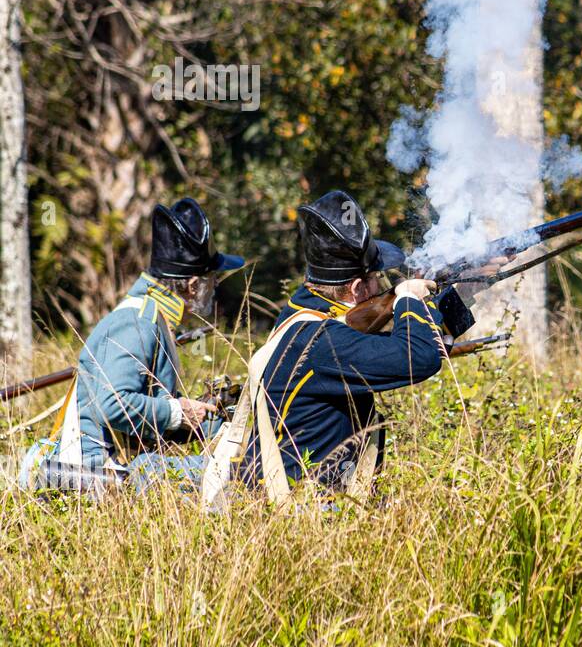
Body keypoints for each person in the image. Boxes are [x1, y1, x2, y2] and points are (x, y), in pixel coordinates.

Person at [205, 190, 443, 503]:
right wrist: (409, 299)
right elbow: (418, 357)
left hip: (296, 496)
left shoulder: (301, 313)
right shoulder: (320, 340)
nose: (383, 286)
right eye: (377, 279)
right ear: (358, 289)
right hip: (299, 510)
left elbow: (373, 345)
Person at [20, 198, 244, 490]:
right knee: (232, 474)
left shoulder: (153, 318)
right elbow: (112, 405)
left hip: (123, 466)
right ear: (191, 285)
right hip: (99, 473)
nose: (215, 286)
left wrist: (209, 423)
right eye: (211, 278)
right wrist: (177, 412)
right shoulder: (137, 322)